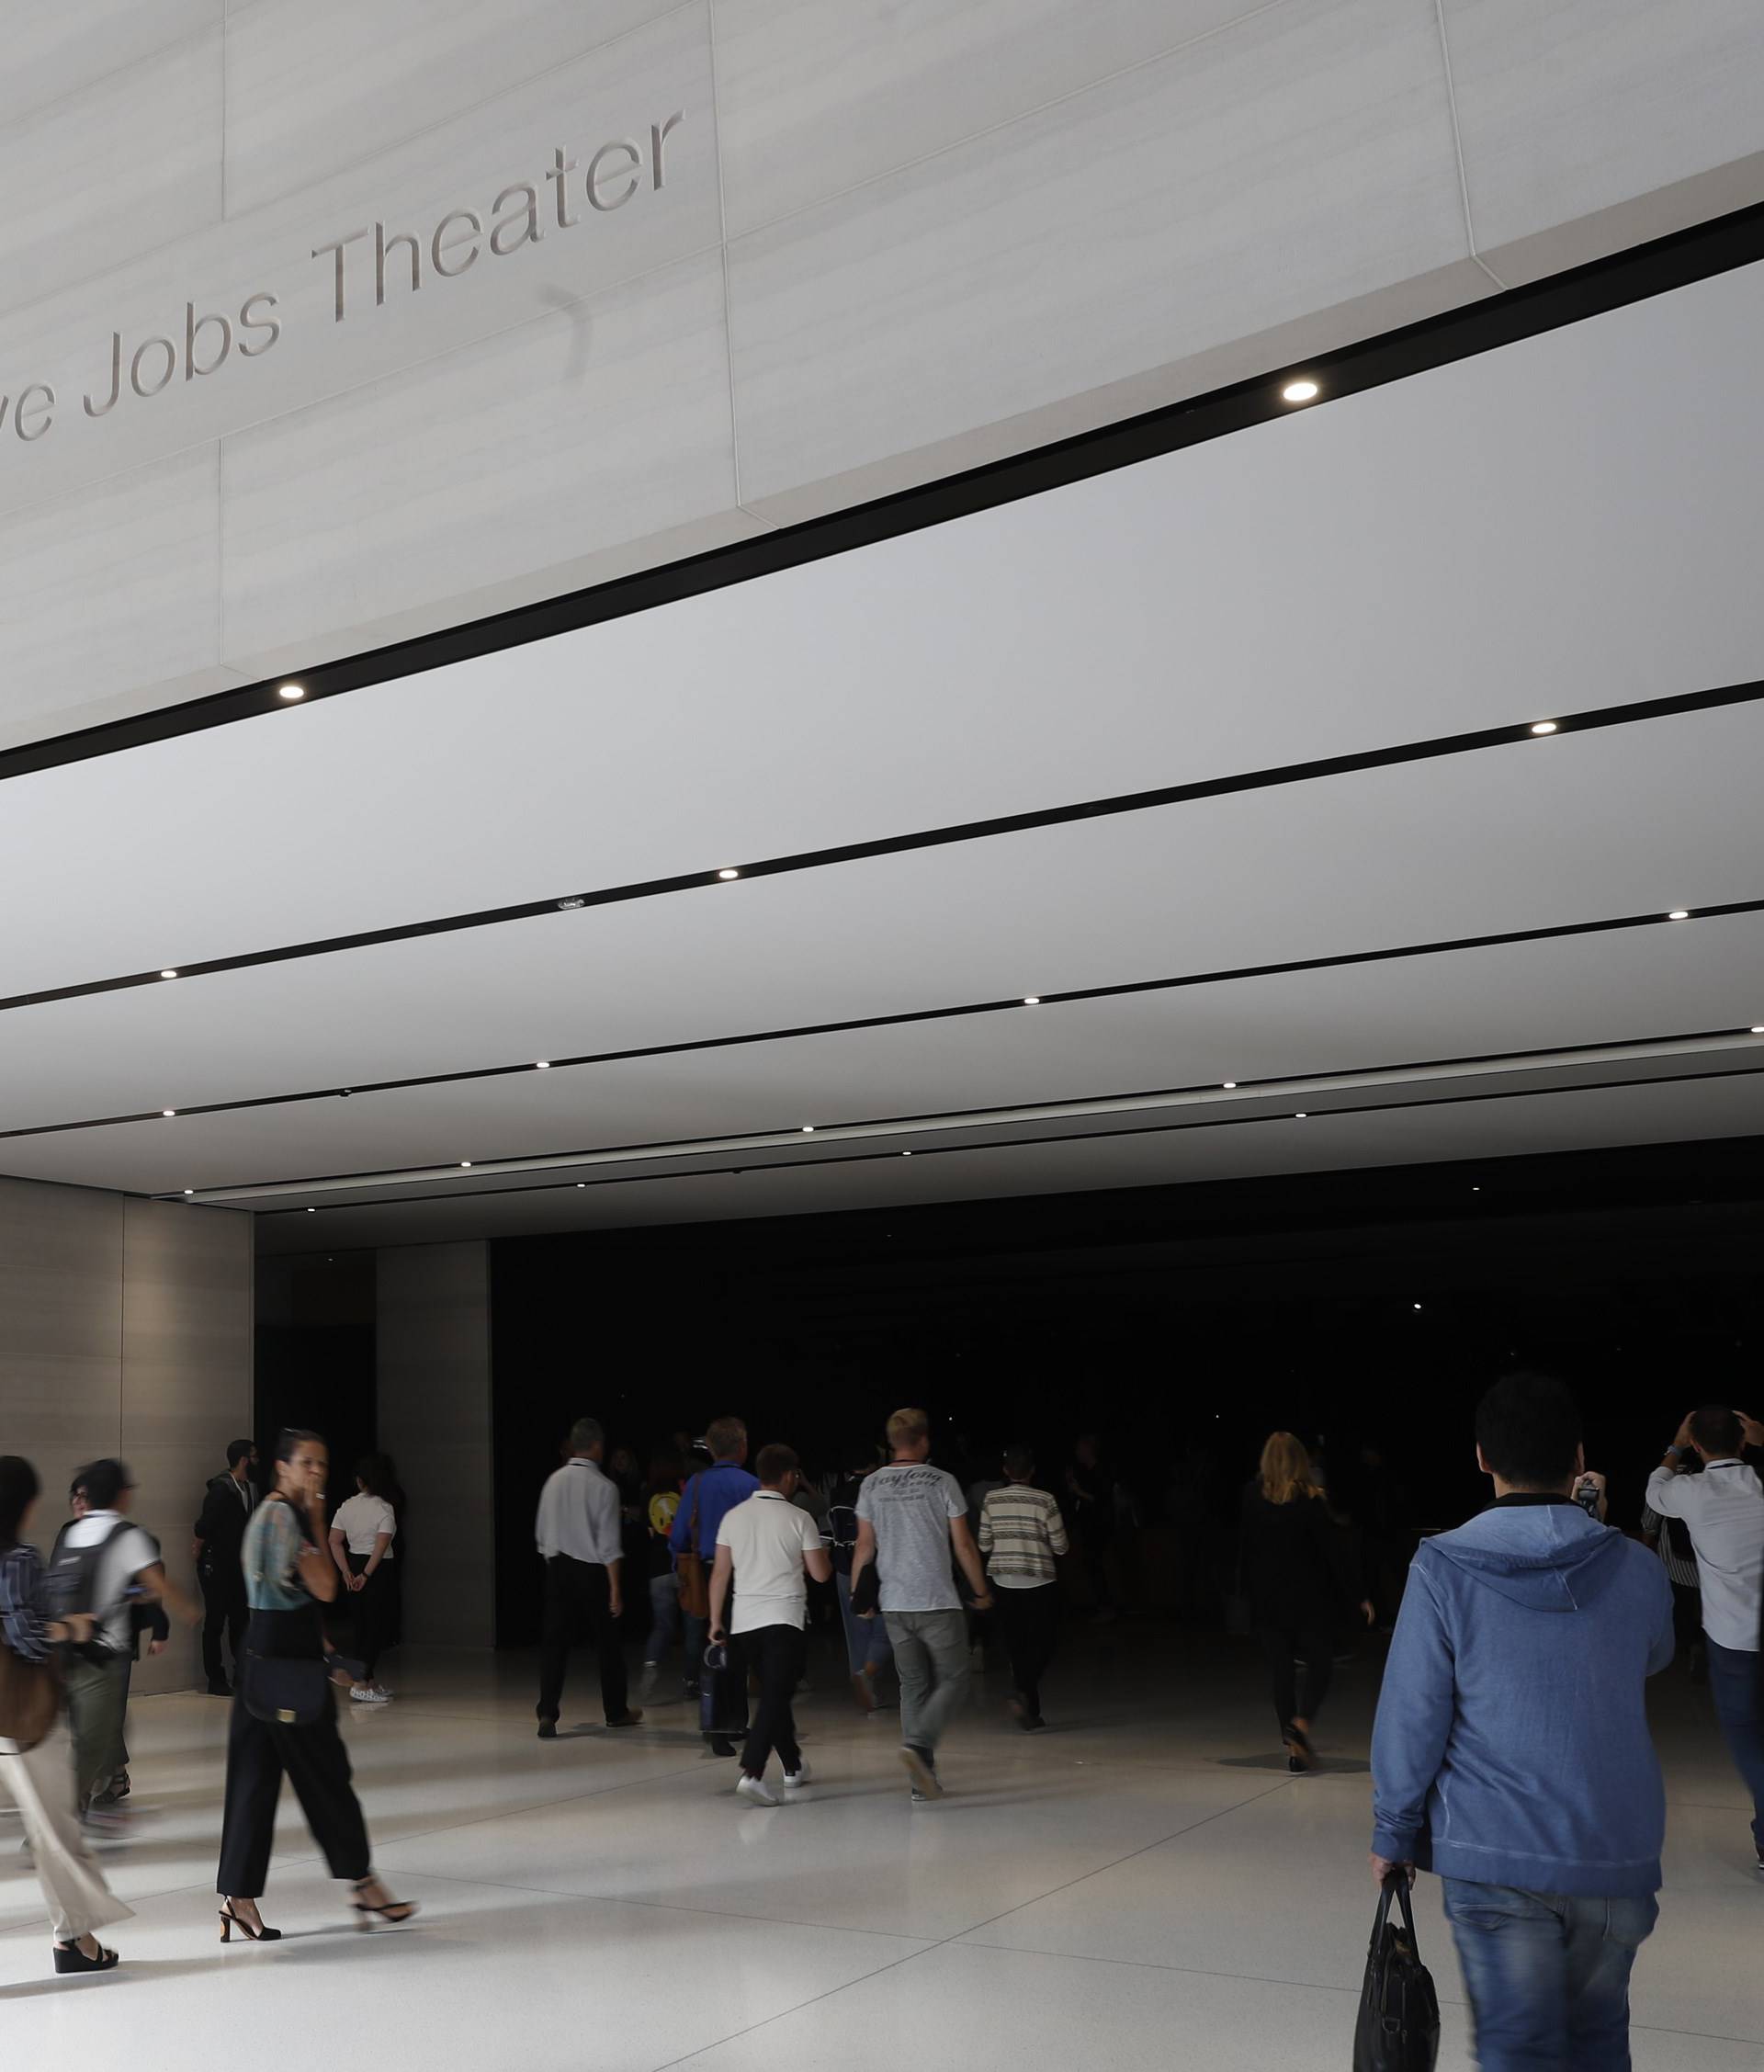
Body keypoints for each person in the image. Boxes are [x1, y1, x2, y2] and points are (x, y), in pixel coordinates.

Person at [1370, 1373, 1675, 2072]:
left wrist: (1394, 1831)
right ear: (1577, 1457)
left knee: (1518, 2052)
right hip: (1614, 1848)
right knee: (1600, 2043)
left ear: (1482, 1457)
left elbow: (1414, 1711)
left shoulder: (1442, 1565)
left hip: (1495, 1847)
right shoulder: (1634, 1564)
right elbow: (1652, 1656)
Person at [215, 1429, 413, 1942]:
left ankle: (237, 1898)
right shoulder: (285, 1517)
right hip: (284, 1667)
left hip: (264, 1658)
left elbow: (287, 1597)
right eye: (307, 1463)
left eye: (323, 1465)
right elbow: (324, 1586)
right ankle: (364, 1885)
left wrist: (325, 1651)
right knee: (327, 1778)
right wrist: (320, 1517)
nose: (317, 1474)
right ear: (281, 1468)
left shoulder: (272, 1515)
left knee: (253, 1782)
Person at [0, 1455, 134, 1976]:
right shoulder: (18, 1558)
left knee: (53, 1830)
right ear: (26, 1505)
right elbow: (27, 1637)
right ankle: (74, 1941)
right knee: (57, 1831)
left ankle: (75, 1938)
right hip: (26, 1714)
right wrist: (72, 1629)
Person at [851, 1406, 992, 1801]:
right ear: (924, 1440)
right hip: (936, 1599)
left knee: (912, 1685)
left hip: (894, 1601)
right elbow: (963, 1544)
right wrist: (981, 1590)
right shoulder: (942, 1481)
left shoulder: (872, 1485)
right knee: (955, 1677)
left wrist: (857, 1597)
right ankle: (918, 1745)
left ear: (890, 1443)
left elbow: (865, 1545)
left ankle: (920, 1782)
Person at [1645, 1405, 1764, 1873]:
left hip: (1732, 1636)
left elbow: (1654, 1491)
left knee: (1747, 1736)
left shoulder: (1689, 1491)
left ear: (1697, 1445)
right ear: (1744, 1441)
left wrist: (1675, 1446)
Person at [52, 1457, 198, 1827]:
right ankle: (58, 1823)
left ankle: (82, 1802)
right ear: (122, 1495)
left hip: (66, 1651)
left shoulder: (72, 1533)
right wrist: (191, 1611)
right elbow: (159, 1586)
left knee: (88, 1735)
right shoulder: (127, 1535)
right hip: (106, 1655)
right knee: (94, 1741)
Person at [708, 1444, 831, 1806]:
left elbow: (720, 1574)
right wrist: (823, 1551)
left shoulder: (733, 1517)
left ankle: (793, 1765)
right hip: (784, 1620)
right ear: (791, 1476)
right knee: (777, 1695)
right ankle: (753, 1771)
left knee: (775, 1696)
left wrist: (716, 1620)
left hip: (743, 1622)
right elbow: (821, 1575)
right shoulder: (799, 1518)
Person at [1239, 1432, 1371, 1772]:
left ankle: (1292, 1749)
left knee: (1281, 1671)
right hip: (1307, 1600)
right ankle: (1300, 1728)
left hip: (1267, 1600)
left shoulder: (1251, 1497)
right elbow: (1334, 1554)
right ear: (1300, 1460)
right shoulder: (1310, 1500)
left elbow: (1244, 1548)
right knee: (1321, 1665)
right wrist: (1358, 1596)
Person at [534, 1417, 643, 1738]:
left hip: (556, 1567)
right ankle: (615, 1711)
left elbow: (542, 1533)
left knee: (554, 1643)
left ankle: (547, 1713)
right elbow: (609, 1545)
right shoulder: (605, 1487)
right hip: (592, 1571)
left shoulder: (553, 1481)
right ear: (597, 1446)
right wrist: (615, 1589)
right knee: (608, 1643)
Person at [670, 1417, 759, 1753]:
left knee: (714, 1647)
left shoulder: (695, 1484)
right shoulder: (751, 1485)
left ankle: (718, 1724)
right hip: (744, 1573)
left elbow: (678, 1536)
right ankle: (732, 1723)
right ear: (741, 1447)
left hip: (707, 1573)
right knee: (740, 1650)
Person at [978, 1445, 1069, 1729]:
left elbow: (984, 1544)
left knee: (1016, 1646)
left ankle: (1030, 1709)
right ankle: (1024, 1694)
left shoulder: (991, 1499)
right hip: (1039, 1578)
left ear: (1006, 1471)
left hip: (1004, 1579)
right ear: (1032, 1471)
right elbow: (1061, 1546)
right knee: (1045, 1642)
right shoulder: (1045, 1500)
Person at [825, 1444, 895, 1713]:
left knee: (856, 1632)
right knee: (887, 1628)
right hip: (877, 1567)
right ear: (873, 1465)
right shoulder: (878, 1491)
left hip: (844, 1569)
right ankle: (868, 1675)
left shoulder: (837, 1494)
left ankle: (866, 1688)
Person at [329, 1455, 398, 1705]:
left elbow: (334, 1540)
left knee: (362, 1627)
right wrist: (367, 1574)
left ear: (360, 1481)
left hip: (354, 1564)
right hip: (377, 1570)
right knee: (377, 1629)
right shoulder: (384, 1507)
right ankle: (360, 1682)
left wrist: (346, 1571)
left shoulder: (347, 1505)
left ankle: (368, 1681)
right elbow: (382, 1544)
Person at [193, 1439, 256, 1696]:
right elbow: (203, 1526)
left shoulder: (247, 1488)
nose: (256, 1462)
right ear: (244, 1460)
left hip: (238, 1566)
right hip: (217, 1565)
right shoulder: (221, 1489)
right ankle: (215, 1678)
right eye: (254, 1457)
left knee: (240, 1620)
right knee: (216, 1621)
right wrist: (198, 1550)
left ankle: (242, 1674)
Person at [1640, 1493, 1705, 1683]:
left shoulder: (1667, 1482)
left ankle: (1691, 1645)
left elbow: (1650, 1521)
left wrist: (1645, 1552)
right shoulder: (1715, 1481)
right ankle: (1704, 1642)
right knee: (1708, 1609)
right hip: (1712, 1566)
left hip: (1676, 1565)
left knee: (1680, 1607)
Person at [639, 1450, 684, 1705]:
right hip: (683, 1565)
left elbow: (649, 1531)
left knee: (662, 1626)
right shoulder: (683, 1490)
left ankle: (650, 1666)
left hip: (657, 1567)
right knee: (693, 1626)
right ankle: (693, 1681)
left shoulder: (647, 1493)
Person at [1065, 1433, 1117, 1620]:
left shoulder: (1101, 1470)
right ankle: (1102, 1605)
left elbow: (1102, 1499)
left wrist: (1080, 1492)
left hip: (1100, 1526)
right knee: (1091, 1565)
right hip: (1087, 1526)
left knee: (1096, 1565)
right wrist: (1072, 1486)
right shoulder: (1084, 1472)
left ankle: (1107, 1607)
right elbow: (1079, 1499)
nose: (1077, 1452)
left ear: (1088, 1449)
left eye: (1080, 1448)